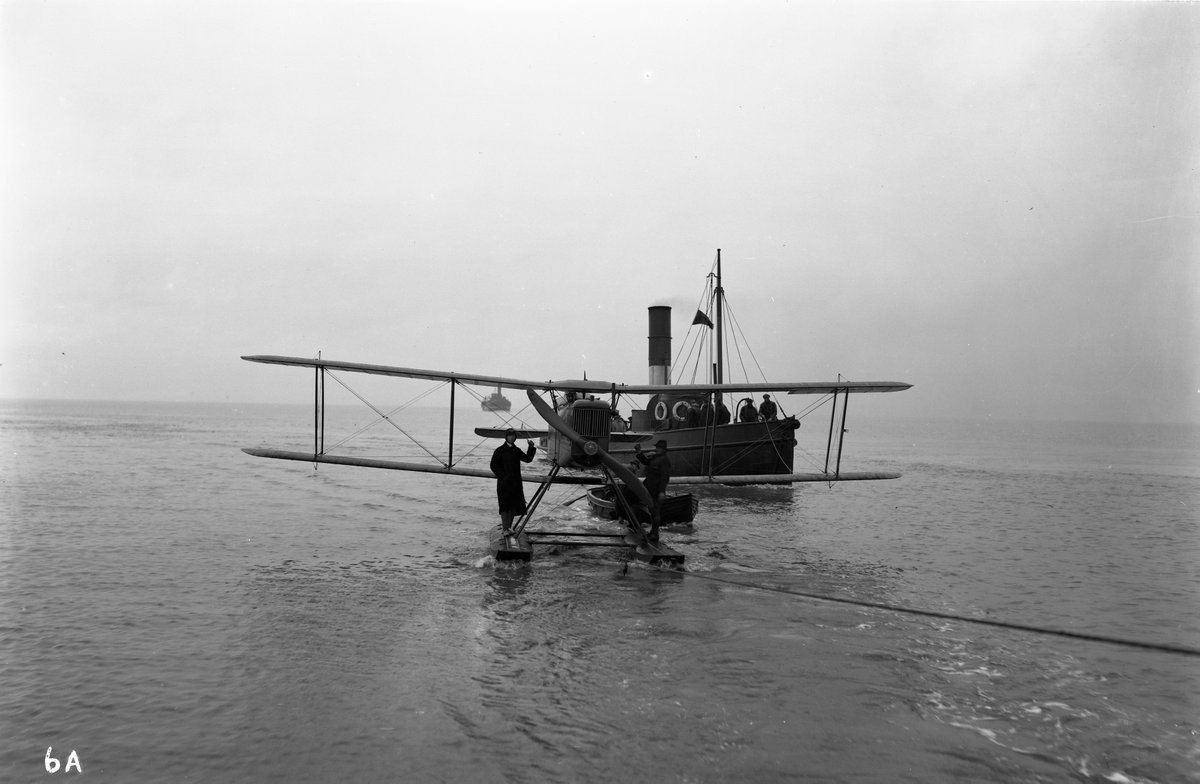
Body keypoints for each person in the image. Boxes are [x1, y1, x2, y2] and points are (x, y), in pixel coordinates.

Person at [490, 428, 536, 535]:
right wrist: (502, 476)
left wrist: (531, 447)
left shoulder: (516, 450)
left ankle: (509, 528)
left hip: (515, 483)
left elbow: (527, 459)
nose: (511, 437)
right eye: (509, 436)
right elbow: (493, 465)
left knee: (512, 506)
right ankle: (505, 529)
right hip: (504, 483)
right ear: (506, 437)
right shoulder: (499, 450)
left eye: (513, 436)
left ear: (515, 437)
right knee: (504, 506)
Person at [634, 439, 672, 542]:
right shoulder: (656, 457)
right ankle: (653, 532)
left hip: (656, 490)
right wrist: (639, 452)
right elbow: (646, 462)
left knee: (655, 512)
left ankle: (655, 534)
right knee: (652, 511)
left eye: (658, 447)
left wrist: (662, 491)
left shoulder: (664, 460)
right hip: (650, 488)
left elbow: (665, 477)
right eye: (657, 447)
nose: (656, 449)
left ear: (663, 449)